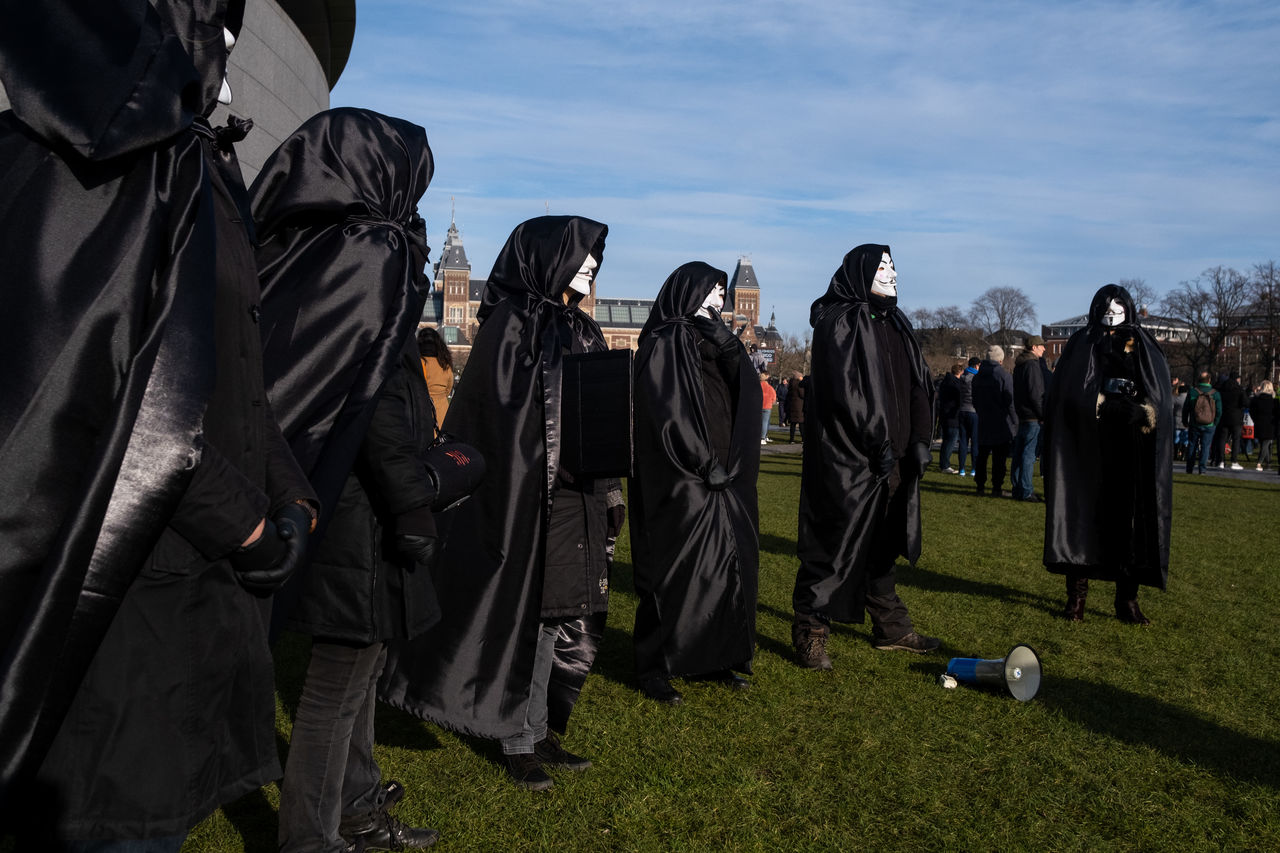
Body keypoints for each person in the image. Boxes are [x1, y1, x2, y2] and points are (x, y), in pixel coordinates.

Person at [1, 2, 318, 847]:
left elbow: (227, 368)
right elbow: (108, 388)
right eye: (217, 26)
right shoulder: (78, 155)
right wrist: (245, 522)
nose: (227, 51)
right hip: (118, 592)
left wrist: (289, 488)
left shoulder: (203, 168)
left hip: (188, 591)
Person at [379, 216, 623, 792]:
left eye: (595, 258)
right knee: (532, 613)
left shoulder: (580, 327)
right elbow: (499, 422)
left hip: (575, 500)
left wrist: (608, 484)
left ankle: (538, 728)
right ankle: (518, 738)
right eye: (581, 255)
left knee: (561, 612)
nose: (591, 267)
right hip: (526, 499)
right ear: (547, 258)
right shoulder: (512, 326)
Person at [252, 108, 441, 853]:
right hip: (359, 516)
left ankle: (356, 806)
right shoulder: (373, 255)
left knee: (356, 678)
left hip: (344, 508)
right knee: (336, 688)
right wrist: (413, 502)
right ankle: (310, 835)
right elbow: (376, 406)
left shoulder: (321, 251)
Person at [791, 244, 940, 670]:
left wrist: (919, 439)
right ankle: (811, 631)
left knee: (882, 541)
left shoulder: (897, 323)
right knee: (833, 545)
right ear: (860, 272)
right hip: (849, 458)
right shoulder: (839, 322)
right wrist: (876, 443)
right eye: (882, 266)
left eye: (893, 266)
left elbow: (917, 384)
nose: (891, 272)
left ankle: (891, 626)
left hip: (892, 457)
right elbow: (845, 393)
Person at [629, 262, 762, 705]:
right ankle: (653, 664)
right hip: (681, 473)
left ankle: (714, 654)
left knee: (725, 565)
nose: (719, 300)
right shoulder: (666, 340)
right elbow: (667, 409)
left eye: (723, 292)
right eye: (712, 291)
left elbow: (744, 393)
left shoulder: (714, 340)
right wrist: (700, 460)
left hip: (725, 470)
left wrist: (730, 349)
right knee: (672, 568)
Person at [1043, 284, 1172, 625]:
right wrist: (1098, 405)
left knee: (1130, 522)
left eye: (1118, 306)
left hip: (1131, 447)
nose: (1112, 312)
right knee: (1082, 517)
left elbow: (1159, 395)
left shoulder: (1144, 344)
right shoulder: (1082, 342)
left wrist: (1145, 411)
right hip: (1089, 445)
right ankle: (1077, 599)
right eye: (1106, 306)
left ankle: (1127, 599)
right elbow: (1066, 393)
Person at [972, 345, 1017, 497]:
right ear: (1000, 359)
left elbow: (975, 399)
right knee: (999, 458)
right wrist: (1014, 420)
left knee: (982, 455)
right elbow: (1009, 400)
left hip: (984, 419)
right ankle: (997, 487)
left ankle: (980, 485)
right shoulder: (1004, 375)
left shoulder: (978, 376)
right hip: (1000, 421)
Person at [1011, 336, 1049, 501]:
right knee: (1028, 454)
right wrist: (1043, 415)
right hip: (1033, 416)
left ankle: (1018, 488)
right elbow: (1036, 394)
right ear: (1034, 347)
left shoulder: (1019, 365)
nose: (1044, 349)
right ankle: (1026, 490)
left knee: (1019, 454)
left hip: (1022, 414)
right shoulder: (1032, 365)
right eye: (1041, 346)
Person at [417, 326, 455, 428]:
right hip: (442, 412)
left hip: (420, 412)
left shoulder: (417, 363)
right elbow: (449, 388)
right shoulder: (445, 365)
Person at [1183, 372, 1220, 474]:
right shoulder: (1215, 393)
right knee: (1205, 447)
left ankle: (1189, 468)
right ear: (1209, 380)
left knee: (1192, 445)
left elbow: (1186, 408)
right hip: (1209, 424)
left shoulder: (1193, 392)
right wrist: (1215, 422)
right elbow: (1219, 410)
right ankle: (1202, 469)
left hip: (1195, 423)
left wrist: (1185, 420)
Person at [1213, 373, 1247, 469]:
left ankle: (1221, 461)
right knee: (1236, 440)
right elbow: (1246, 402)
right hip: (1236, 418)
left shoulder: (1222, 390)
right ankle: (1234, 461)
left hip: (1224, 417)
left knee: (1222, 439)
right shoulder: (1239, 390)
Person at [937, 363, 965, 473]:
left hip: (945, 414)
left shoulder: (945, 381)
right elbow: (959, 399)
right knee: (950, 441)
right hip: (952, 416)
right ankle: (945, 465)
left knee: (946, 441)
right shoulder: (955, 384)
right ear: (960, 372)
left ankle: (943, 463)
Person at [956, 356, 980, 476]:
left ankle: (961, 468)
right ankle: (974, 468)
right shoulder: (977, 378)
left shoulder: (962, 378)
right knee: (975, 442)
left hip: (962, 410)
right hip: (974, 411)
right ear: (976, 366)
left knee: (963, 441)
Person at [1248, 381, 1278, 471]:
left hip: (1259, 423)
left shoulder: (1256, 400)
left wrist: (1255, 419)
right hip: (1270, 424)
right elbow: (1276, 413)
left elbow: (1251, 411)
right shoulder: (1273, 401)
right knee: (1266, 443)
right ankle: (1259, 462)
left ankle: (1268, 463)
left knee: (1264, 444)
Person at [786, 371, 807, 443]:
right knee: (801, 423)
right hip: (799, 405)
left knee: (793, 424)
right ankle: (803, 439)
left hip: (792, 405)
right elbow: (802, 394)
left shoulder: (791, 384)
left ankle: (791, 439)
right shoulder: (799, 384)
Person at [760, 371, 776, 444]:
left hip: (760, 406)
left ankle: (764, 437)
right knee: (766, 422)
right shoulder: (770, 388)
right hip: (767, 406)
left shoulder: (758, 386)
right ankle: (763, 437)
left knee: (761, 422)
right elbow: (774, 398)